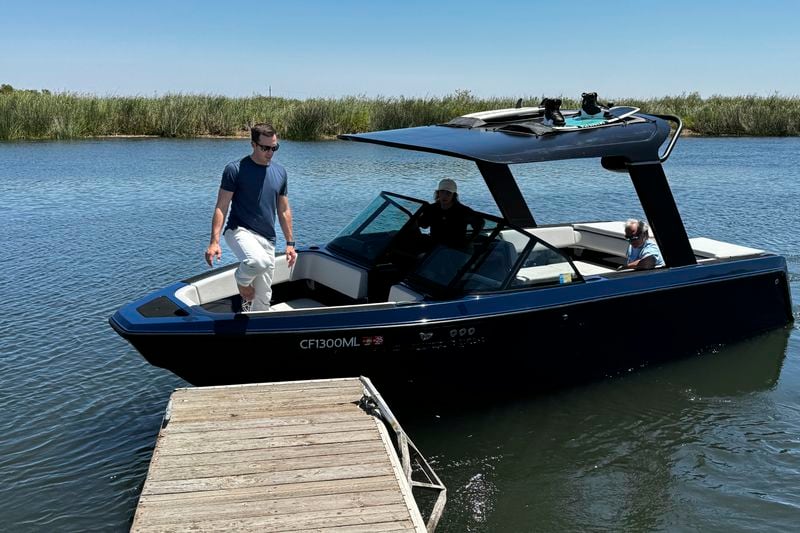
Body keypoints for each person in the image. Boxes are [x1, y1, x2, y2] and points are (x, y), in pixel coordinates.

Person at [204, 123, 297, 312]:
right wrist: (214, 242)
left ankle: (253, 328)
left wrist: (290, 243)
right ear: (253, 144)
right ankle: (241, 282)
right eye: (265, 148)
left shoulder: (280, 172)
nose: (270, 152)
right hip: (239, 230)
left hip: (268, 238)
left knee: (263, 300)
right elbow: (222, 206)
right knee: (258, 262)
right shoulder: (235, 169)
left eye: (274, 148)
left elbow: (284, 210)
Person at [418, 178, 484, 249]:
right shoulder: (432, 208)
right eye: (442, 192)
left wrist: (469, 241)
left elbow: (480, 223)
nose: (444, 195)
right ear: (438, 193)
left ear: (454, 195)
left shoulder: (462, 211)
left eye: (448, 193)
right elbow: (424, 225)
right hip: (435, 245)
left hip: (454, 248)